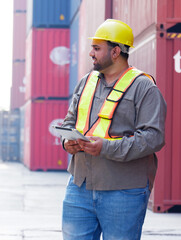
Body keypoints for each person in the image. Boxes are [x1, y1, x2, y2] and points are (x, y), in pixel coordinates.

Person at [61, 19, 167, 240]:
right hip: (79, 186)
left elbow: (154, 138)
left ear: (116, 51)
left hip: (124, 192)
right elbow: (69, 122)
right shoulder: (85, 82)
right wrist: (66, 141)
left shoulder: (144, 88)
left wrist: (106, 147)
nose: (91, 53)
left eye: (97, 48)